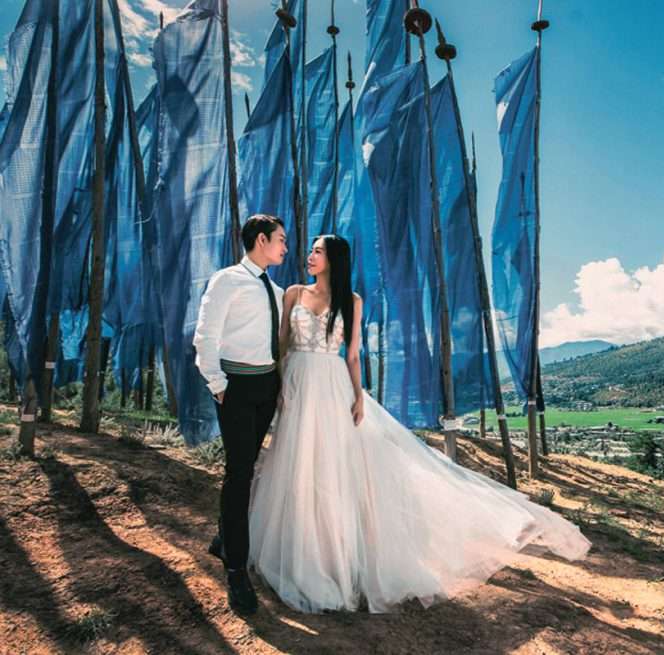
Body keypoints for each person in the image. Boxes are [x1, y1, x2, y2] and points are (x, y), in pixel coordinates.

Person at [247, 234, 590, 614]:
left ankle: (334, 558)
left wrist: (359, 396)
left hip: (332, 386)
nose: (309, 256)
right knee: (298, 462)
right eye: (310, 250)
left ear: (334, 259)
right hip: (298, 382)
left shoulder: (353, 301)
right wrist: (279, 384)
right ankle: (299, 549)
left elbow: (354, 354)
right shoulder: (294, 293)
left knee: (333, 467)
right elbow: (281, 344)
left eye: (317, 251)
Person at [193, 214, 287, 615]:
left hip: (267, 387)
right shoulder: (227, 280)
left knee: (248, 464)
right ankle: (236, 569)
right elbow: (205, 335)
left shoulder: (279, 291)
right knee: (239, 472)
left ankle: (223, 539)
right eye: (281, 240)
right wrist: (218, 385)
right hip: (237, 388)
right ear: (261, 240)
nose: (285, 247)